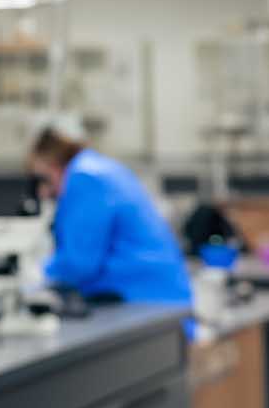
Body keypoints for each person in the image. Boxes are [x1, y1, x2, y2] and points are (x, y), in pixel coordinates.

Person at [28, 126, 191, 304]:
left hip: (144, 299)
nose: (43, 193)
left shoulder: (84, 178)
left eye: (44, 179)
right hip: (164, 296)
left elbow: (78, 263)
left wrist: (32, 278)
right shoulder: (103, 168)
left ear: (53, 164)